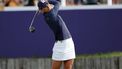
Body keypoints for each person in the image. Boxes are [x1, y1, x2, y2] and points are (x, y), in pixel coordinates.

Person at [37, 0, 76, 69]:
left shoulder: (49, 12)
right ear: (42, 10)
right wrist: (48, 1)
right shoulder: (51, 15)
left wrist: (47, 2)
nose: (48, 6)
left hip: (69, 41)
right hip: (60, 44)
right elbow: (57, 3)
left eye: (47, 5)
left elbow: (53, 4)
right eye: (45, 7)